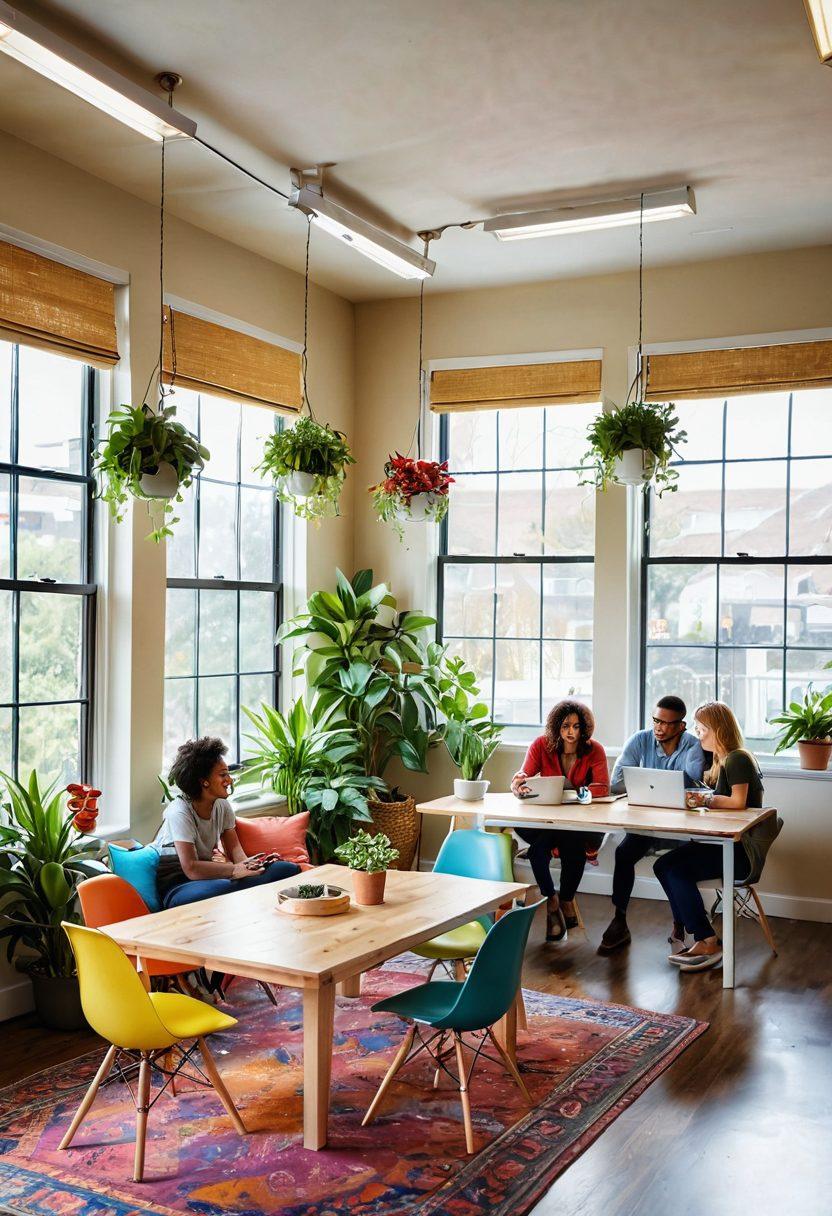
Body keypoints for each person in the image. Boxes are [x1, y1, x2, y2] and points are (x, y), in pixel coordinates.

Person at [652, 701, 764, 972]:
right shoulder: (721, 761)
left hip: (738, 853)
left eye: (702, 729)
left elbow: (738, 802)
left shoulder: (737, 758)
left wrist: (703, 800)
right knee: (662, 865)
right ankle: (696, 929)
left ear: (718, 731)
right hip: (722, 845)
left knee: (676, 871)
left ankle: (706, 939)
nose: (698, 734)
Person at [598, 695, 706, 954]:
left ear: (681, 726)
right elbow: (617, 783)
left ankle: (679, 924)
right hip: (646, 823)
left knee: (673, 867)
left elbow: (695, 786)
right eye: (656, 720)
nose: (659, 727)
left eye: (666, 723)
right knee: (624, 854)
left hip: (681, 824)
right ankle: (619, 920)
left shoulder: (693, 746)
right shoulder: (640, 740)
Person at [153, 736, 302, 909]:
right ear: (204, 781)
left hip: (210, 878)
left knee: (285, 869)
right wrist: (234, 870)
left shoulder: (222, 805)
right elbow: (191, 868)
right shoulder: (179, 811)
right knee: (225, 888)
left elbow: (235, 849)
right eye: (223, 775)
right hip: (179, 884)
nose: (229, 780)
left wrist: (250, 866)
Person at [511, 700, 609, 943]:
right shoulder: (540, 745)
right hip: (546, 819)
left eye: (576, 726)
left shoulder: (594, 750)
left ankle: (563, 901)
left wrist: (577, 793)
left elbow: (603, 787)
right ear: (556, 726)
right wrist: (518, 783)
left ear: (584, 728)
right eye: (565, 726)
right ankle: (553, 899)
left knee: (563, 845)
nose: (570, 732)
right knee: (547, 844)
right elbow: (523, 776)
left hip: (576, 822)